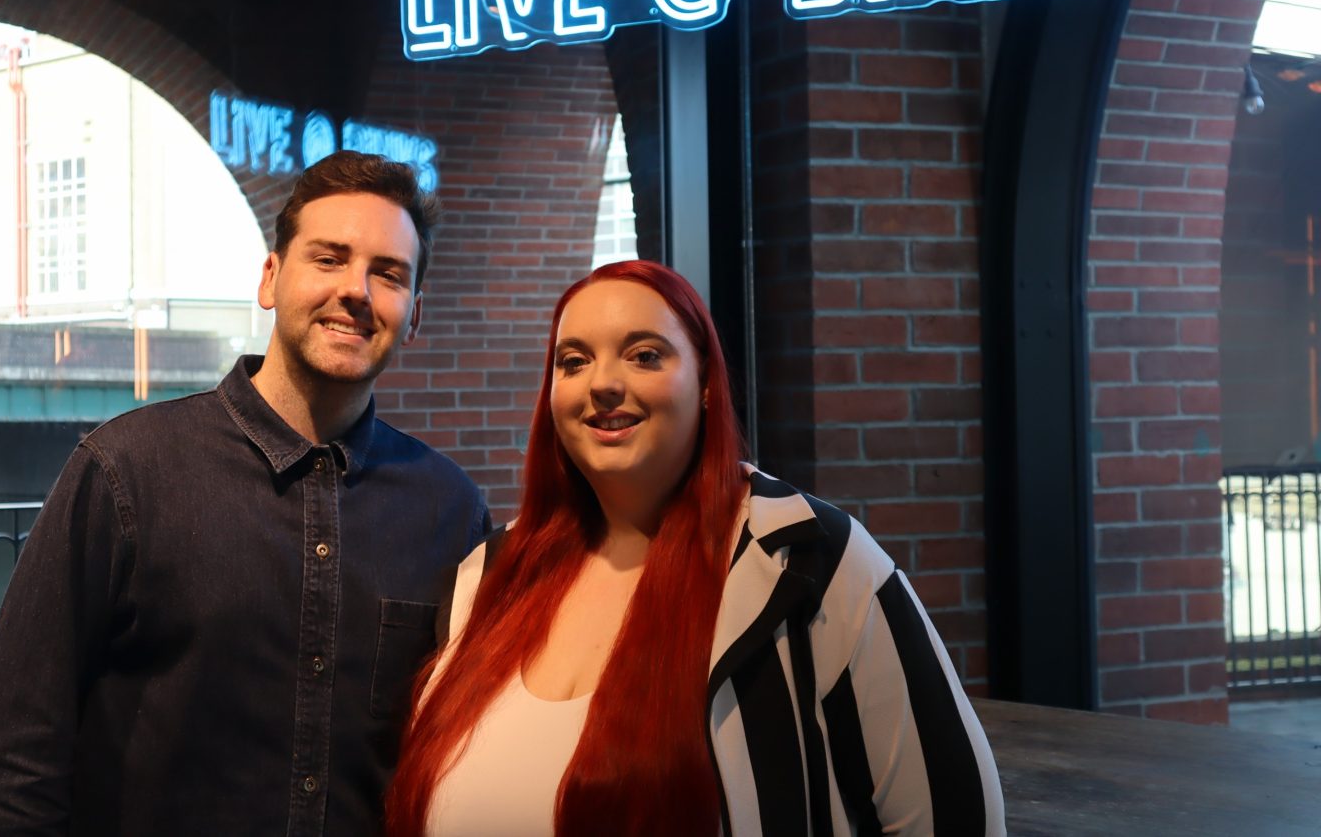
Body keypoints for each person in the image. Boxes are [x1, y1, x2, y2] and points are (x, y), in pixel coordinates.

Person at [0, 152, 490, 836]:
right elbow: (8, 757)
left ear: (413, 314)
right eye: (329, 258)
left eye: (387, 273)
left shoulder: (449, 512)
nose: (356, 289)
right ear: (271, 279)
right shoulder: (126, 472)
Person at [387, 260, 1004, 837]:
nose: (602, 383)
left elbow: (955, 818)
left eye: (645, 355)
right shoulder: (488, 576)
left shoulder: (809, 562)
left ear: (707, 381)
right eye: (573, 361)